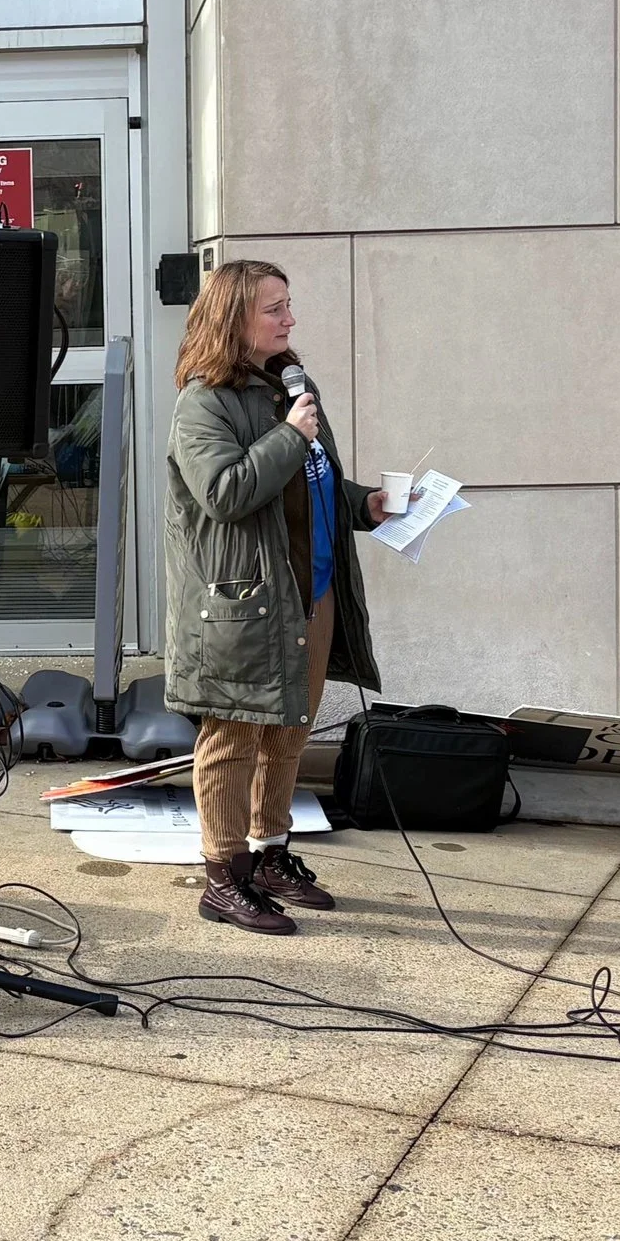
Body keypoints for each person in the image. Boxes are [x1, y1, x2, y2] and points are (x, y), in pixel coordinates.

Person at [165, 259, 399, 934]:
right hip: (243, 603)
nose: (289, 319)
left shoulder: (291, 387)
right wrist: (290, 435)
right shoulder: (202, 401)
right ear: (235, 316)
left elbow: (315, 485)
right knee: (233, 735)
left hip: (311, 593)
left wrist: (367, 504)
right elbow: (228, 492)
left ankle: (270, 854)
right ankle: (223, 876)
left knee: (289, 730)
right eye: (275, 308)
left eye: (289, 305)